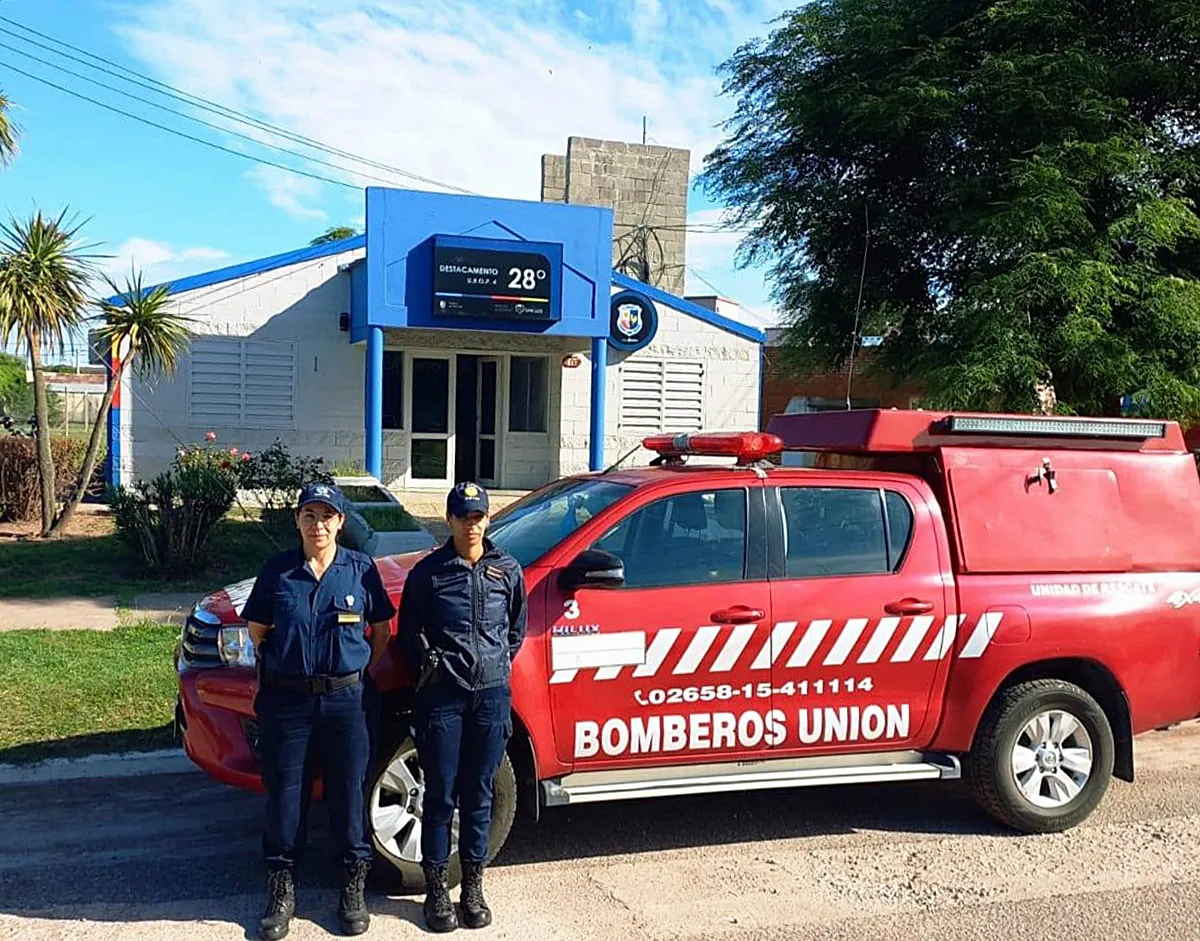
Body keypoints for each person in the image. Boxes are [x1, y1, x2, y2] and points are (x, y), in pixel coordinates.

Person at [241, 482, 397, 941]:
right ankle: (282, 891)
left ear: (341, 522)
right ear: (298, 521)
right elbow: (257, 631)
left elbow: (381, 630)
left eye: (327, 516)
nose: (319, 525)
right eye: (309, 515)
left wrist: (357, 667)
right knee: (286, 797)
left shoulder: (360, 570)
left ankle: (352, 892)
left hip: (346, 702)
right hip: (288, 702)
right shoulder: (278, 571)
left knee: (349, 794)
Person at [398, 481, 527, 932]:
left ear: (487, 520)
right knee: (439, 795)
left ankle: (472, 887)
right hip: (442, 698)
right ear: (449, 520)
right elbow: (407, 634)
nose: (470, 525)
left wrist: (492, 665)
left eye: (478, 517)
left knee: (479, 794)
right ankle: (436, 891)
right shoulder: (429, 573)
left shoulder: (506, 570)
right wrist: (432, 664)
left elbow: (515, 630)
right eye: (462, 517)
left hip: (491, 696)